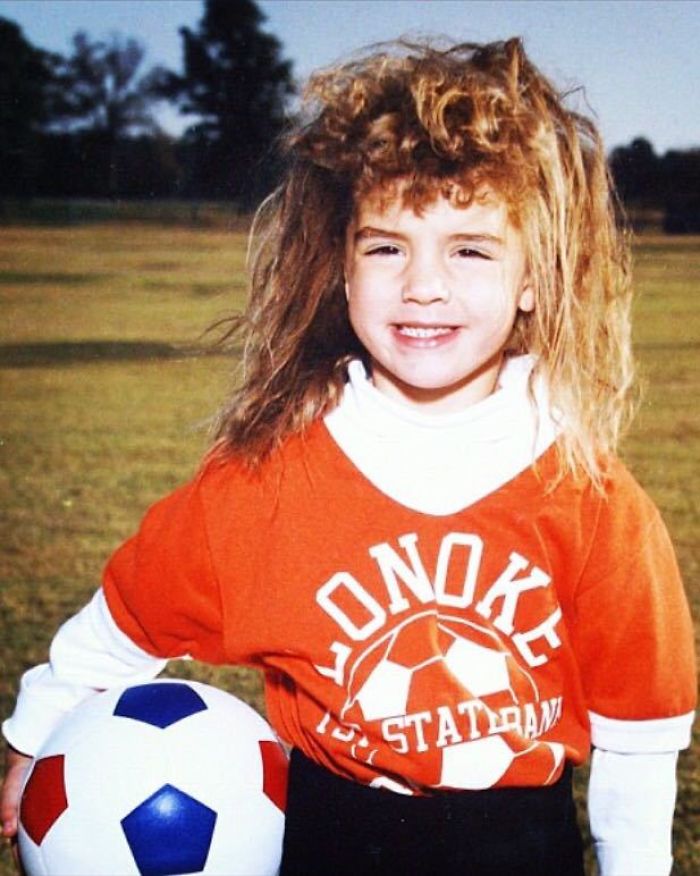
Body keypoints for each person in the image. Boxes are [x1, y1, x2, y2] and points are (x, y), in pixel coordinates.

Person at [1, 38, 696, 876]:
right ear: (341, 266)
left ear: (533, 280)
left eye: (469, 248)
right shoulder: (266, 478)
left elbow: (637, 743)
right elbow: (129, 616)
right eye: (386, 246)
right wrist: (36, 734)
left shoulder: (594, 505)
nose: (423, 285)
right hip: (331, 833)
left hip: (518, 846)